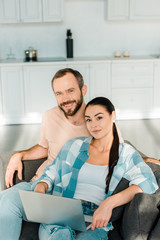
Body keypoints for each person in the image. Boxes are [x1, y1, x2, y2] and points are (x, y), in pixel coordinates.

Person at [0, 97, 158, 240]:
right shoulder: (74, 146)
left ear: (113, 116)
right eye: (88, 119)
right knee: (60, 235)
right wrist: (43, 184)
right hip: (61, 214)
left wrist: (108, 204)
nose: (93, 125)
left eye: (99, 117)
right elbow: (51, 173)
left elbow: (148, 183)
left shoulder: (125, 153)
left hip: (95, 221)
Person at [5, 68, 160, 189]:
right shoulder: (49, 116)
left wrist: (143, 160)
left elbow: (117, 156)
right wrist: (18, 155)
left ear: (83, 90)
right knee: (7, 203)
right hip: (39, 183)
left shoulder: (99, 124)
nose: (65, 99)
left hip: (68, 191)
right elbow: (45, 147)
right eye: (59, 93)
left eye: (70, 91)